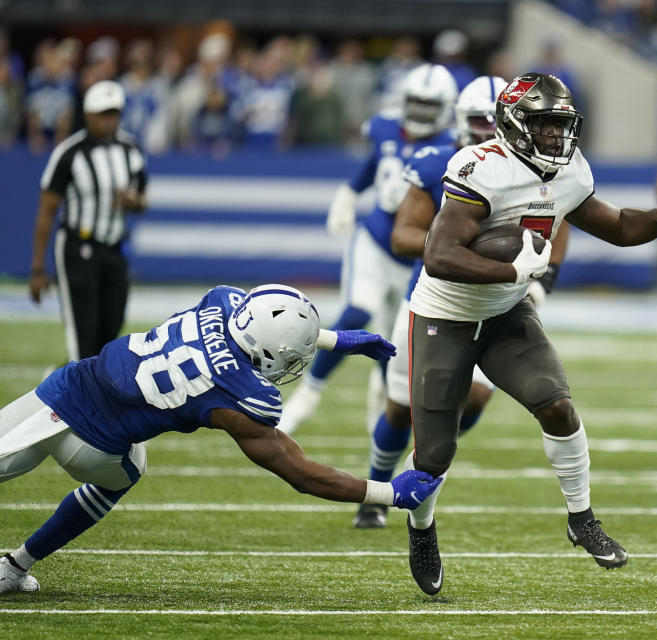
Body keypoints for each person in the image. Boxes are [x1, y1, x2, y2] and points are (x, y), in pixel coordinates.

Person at [401, 72, 657, 595]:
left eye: (560, 126)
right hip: (444, 314)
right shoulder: (480, 169)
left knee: (556, 404)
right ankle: (421, 528)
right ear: (515, 125)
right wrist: (511, 271)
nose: (554, 136)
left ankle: (581, 518)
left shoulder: (569, 174)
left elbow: (620, 228)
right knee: (433, 457)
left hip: (504, 313)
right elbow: (439, 255)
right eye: (542, 125)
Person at [0, 284, 442, 594]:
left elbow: (258, 329)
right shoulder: (239, 398)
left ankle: (15, 569)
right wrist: (388, 493)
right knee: (128, 471)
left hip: (59, 392)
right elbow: (303, 475)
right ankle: (15, 565)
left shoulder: (222, 300)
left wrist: (331, 340)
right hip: (95, 450)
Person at [352, 75, 572, 529]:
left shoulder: (537, 167)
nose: (490, 127)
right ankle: (374, 493)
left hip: (497, 304)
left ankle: (426, 468)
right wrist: (464, 247)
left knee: (471, 399)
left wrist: (541, 277)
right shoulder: (439, 162)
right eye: (480, 119)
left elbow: (560, 220)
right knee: (400, 407)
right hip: (435, 300)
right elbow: (403, 235)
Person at [279, 63, 459, 436]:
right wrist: (348, 193)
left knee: (393, 343)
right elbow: (373, 166)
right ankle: (309, 392)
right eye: (416, 104)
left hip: (413, 255)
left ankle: (380, 400)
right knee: (358, 312)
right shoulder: (384, 127)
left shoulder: (452, 147)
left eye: (430, 106)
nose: (421, 114)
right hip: (376, 240)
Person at [29, 79, 149, 362]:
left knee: (111, 331)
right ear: (89, 115)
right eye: (104, 114)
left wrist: (134, 201)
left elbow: (143, 200)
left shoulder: (130, 149)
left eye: (114, 113)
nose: (110, 121)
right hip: (77, 248)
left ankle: (75, 389)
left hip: (115, 249)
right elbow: (47, 210)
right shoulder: (69, 153)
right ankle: (74, 398)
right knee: (84, 337)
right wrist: (37, 268)